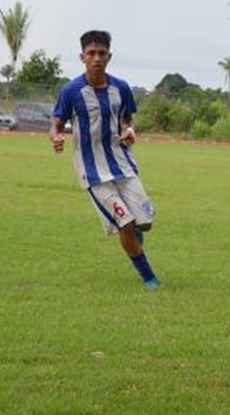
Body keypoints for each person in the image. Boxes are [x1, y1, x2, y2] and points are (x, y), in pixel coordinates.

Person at [49, 30, 160, 290]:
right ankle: (148, 277)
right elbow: (56, 123)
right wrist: (56, 137)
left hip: (123, 165)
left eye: (101, 53)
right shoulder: (71, 90)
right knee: (125, 221)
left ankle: (134, 234)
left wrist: (131, 131)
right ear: (82, 57)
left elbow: (129, 120)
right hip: (93, 172)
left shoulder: (120, 87)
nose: (96, 58)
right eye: (91, 53)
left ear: (109, 56)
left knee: (145, 223)